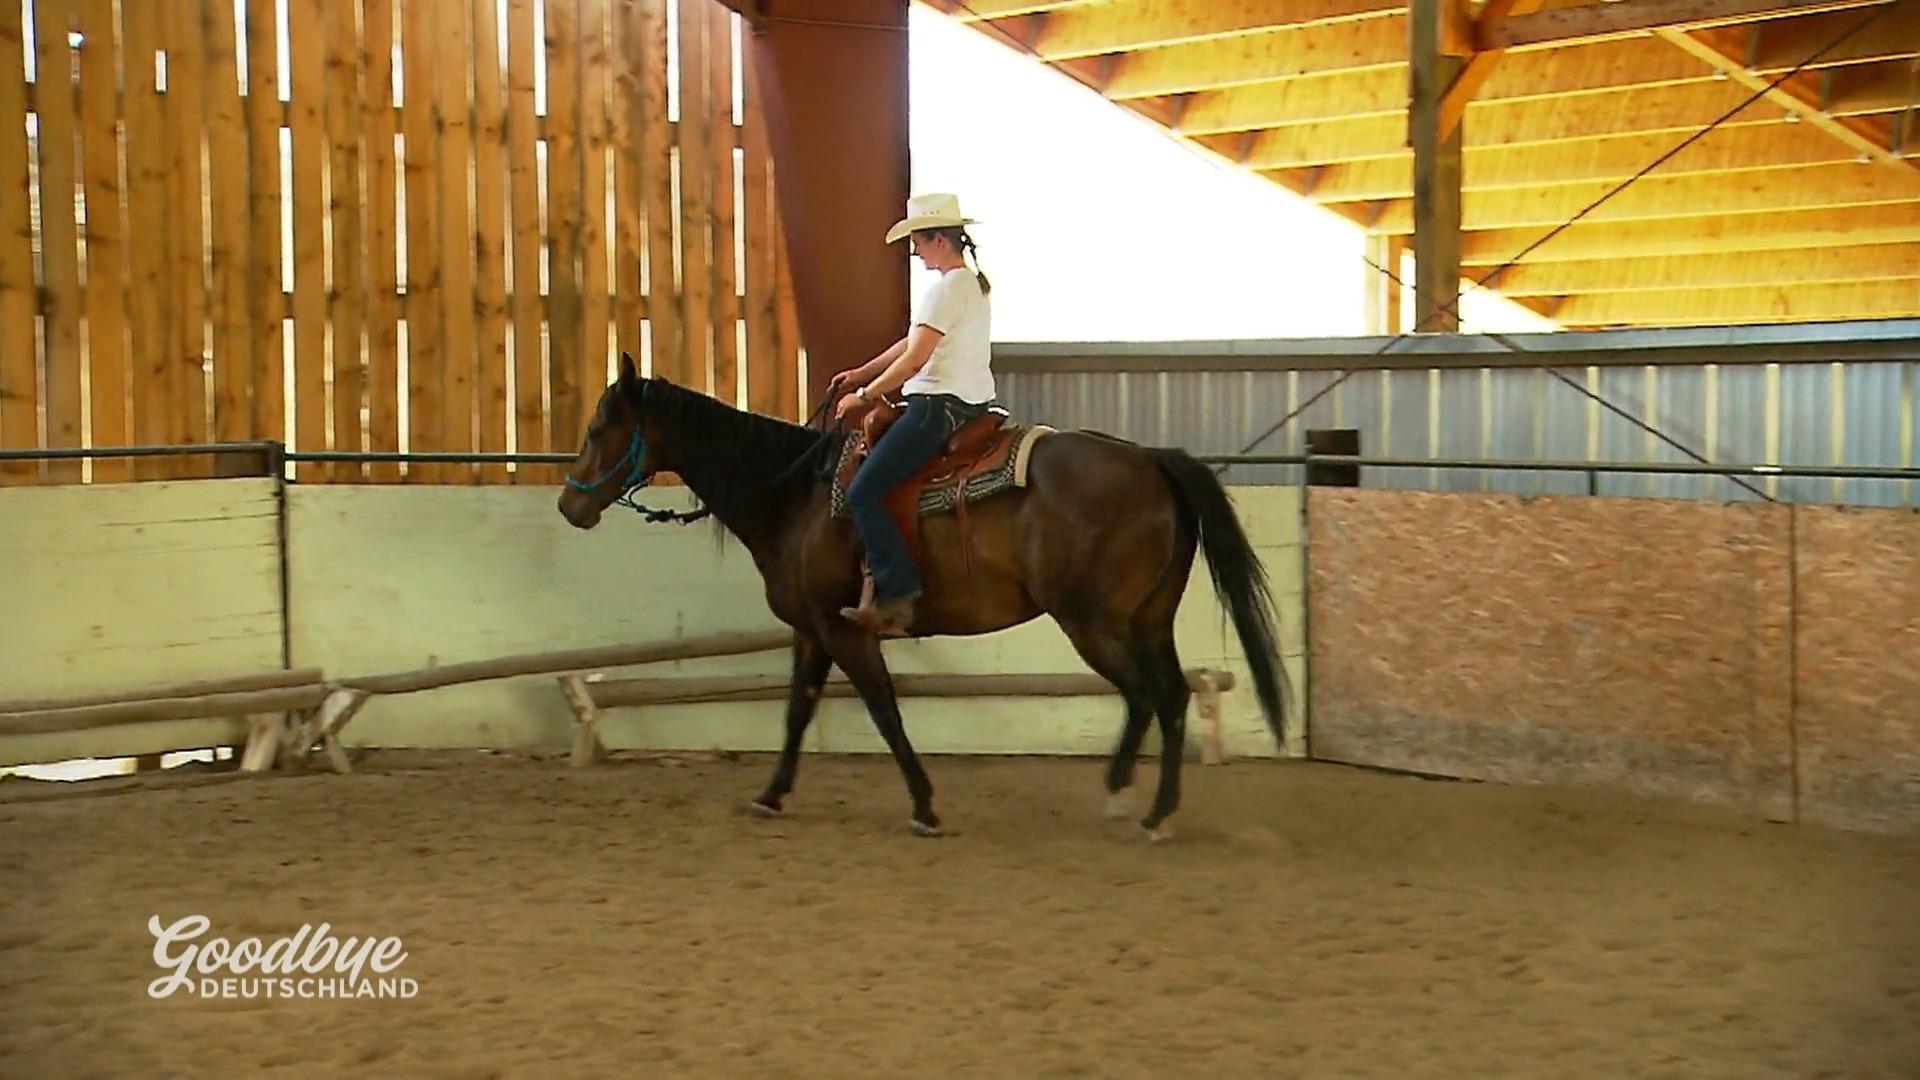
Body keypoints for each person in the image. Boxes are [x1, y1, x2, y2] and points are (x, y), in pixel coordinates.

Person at [830, 193, 996, 635]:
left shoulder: (945, 290)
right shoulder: (969, 285)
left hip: (935, 408)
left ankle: (898, 592)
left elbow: (915, 360)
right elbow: (911, 343)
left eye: (918, 243)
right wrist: (863, 372)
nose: (916, 252)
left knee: (863, 492)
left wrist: (864, 395)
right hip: (967, 405)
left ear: (939, 240)